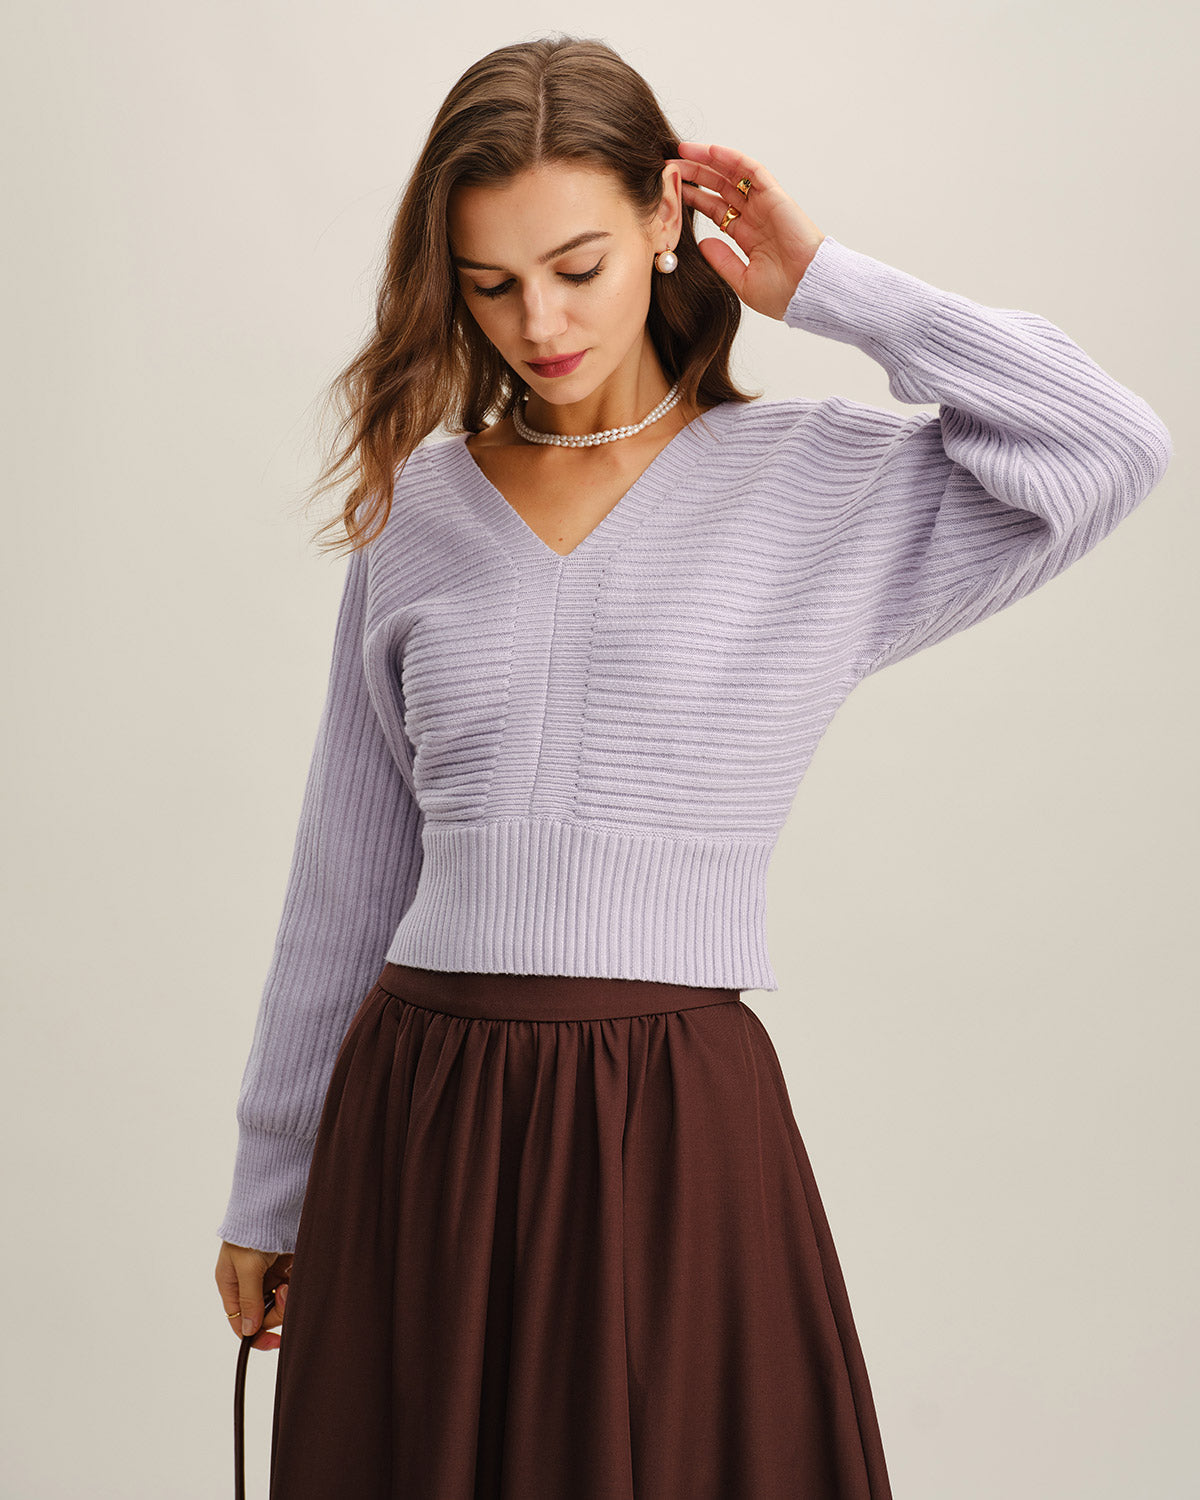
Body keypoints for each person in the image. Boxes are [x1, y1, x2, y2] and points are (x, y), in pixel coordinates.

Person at [212, 34, 1171, 1500]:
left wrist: (826, 284)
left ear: (666, 220)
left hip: (667, 1118)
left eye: (577, 266)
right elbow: (346, 872)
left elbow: (1107, 443)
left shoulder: (817, 486)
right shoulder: (423, 508)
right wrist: (273, 1182)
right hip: (422, 1114)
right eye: (490, 283)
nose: (539, 321)